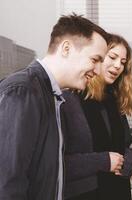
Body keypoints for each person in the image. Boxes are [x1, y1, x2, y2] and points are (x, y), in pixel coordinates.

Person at [0, 14, 109, 200]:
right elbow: (8, 183)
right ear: (66, 48)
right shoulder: (23, 90)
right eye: (95, 59)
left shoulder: (51, 95)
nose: (98, 70)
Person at [62, 34, 132, 200]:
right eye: (113, 57)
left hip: (119, 192)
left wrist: (129, 161)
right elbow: (56, 162)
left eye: (123, 62)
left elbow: (125, 145)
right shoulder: (69, 99)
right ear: (98, 57)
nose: (118, 66)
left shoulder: (115, 101)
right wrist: (102, 161)